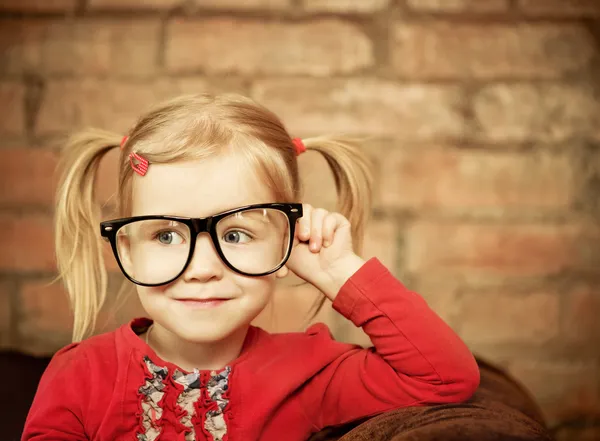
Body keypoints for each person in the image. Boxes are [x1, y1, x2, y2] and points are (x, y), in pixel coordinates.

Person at [22, 93, 479, 441]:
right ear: (127, 249)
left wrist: (336, 272)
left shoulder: (310, 374)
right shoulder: (78, 377)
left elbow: (445, 378)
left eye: (236, 235)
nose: (201, 269)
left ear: (284, 244)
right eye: (165, 235)